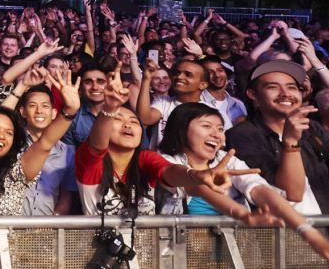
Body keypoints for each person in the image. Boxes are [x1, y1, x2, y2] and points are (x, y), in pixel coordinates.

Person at [77, 63, 259, 216]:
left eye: (134, 121)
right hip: (99, 254)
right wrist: (110, 108)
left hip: (148, 253)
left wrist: (195, 176)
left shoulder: (145, 159)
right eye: (118, 119)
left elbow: (171, 173)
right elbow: (97, 145)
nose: (128, 125)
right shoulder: (91, 164)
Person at [156, 103, 329, 258]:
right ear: (181, 129)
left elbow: (260, 190)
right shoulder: (167, 161)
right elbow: (199, 188)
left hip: (236, 252)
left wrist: (309, 233)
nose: (216, 135)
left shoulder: (227, 159)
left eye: (220, 129)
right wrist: (243, 215)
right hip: (182, 255)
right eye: (206, 126)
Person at [0, 67, 79, 216]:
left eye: (9, 133)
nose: (0, 135)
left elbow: (45, 143)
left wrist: (70, 110)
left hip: (17, 239)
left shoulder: (16, 171)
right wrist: (23, 85)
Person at [226, 60, 329, 213]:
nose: (286, 93)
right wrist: (291, 144)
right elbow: (289, 193)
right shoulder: (242, 135)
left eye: (292, 87)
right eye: (273, 87)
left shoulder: (312, 128)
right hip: (284, 231)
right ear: (253, 94)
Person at [1, 79, 78, 216]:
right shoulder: (11, 142)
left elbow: (66, 197)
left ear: (54, 113)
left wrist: (52, 223)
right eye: (32, 105)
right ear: (22, 112)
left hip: (48, 229)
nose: (39, 111)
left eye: (45, 106)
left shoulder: (67, 152)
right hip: (11, 224)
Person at [200, 57, 247, 125]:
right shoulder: (199, 102)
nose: (217, 75)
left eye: (220, 70)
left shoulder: (239, 104)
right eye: (210, 72)